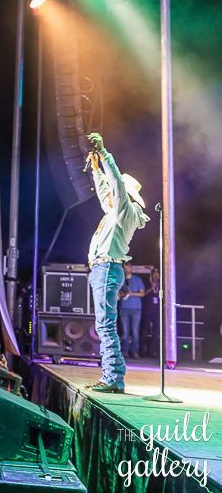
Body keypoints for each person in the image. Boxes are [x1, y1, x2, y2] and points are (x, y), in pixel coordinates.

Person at [84, 133, 150, 393]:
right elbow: (105, 190)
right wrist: (97, 168)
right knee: (105, 324)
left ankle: (113, 378)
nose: (111, 194)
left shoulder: (125, 211)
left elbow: (115, 187)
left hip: (107, 269)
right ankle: (112, 376)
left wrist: (105, 152)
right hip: (105, 269)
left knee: (105, 325)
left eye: (116, 191)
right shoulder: (116, 212)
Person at [118, 263, 146, 359]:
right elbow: (118, 295)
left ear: (131, 268)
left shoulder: (137, 279)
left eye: (128, 267)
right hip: (124, 308)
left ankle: (135, 352)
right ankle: (125, 352)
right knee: (125, 332)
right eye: (125, 268)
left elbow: (142, 294)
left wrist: (131, 293)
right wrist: (121, 294)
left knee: (135, 332)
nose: (127, 269)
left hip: (136, 309)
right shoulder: (121, 280)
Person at [141, 267, 161, 358]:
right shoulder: (147, 283)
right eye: (154, 274)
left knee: (156, 332)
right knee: (144, 331)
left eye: (157, 274)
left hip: (157, 311)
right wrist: (151, 289)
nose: (156, 276)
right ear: (152, 275)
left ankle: (153, 352)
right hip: (148, 310)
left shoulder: (161, 285)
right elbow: (143, 294)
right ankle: (142, 351)